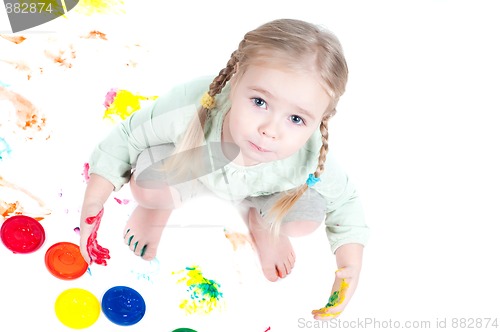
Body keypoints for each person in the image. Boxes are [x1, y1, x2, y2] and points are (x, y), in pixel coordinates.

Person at [79, 18, 369, 319]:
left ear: (321, 119)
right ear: (236, 80)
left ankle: (264, 224)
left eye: (296, 119)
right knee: (149, 183)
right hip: (193, 168)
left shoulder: (307, 156)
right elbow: (128, 137)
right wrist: (94, 200)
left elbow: (345, 203)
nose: (270, 130)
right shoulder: (194, 104)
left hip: (264, 193)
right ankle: (156, 209)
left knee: (304, 220)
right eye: (259, 101)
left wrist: (350, 268)